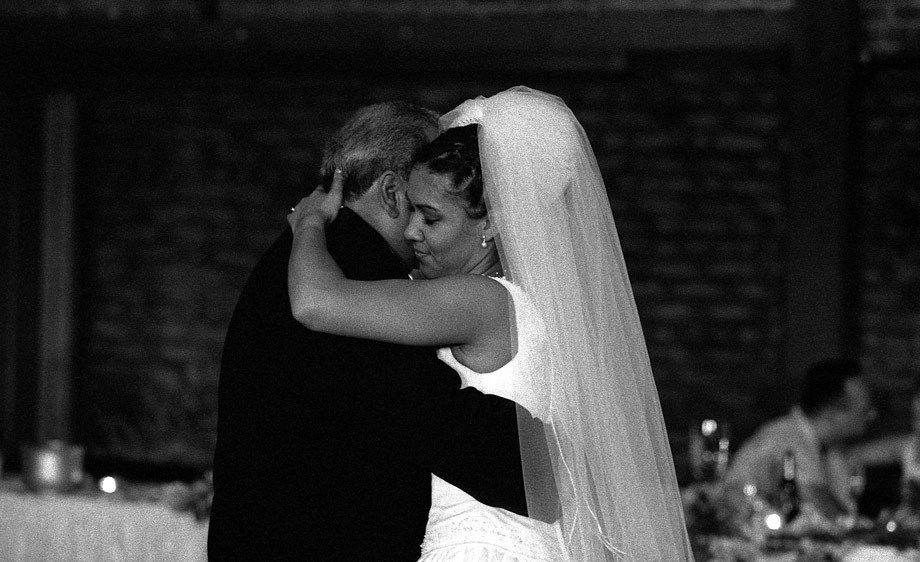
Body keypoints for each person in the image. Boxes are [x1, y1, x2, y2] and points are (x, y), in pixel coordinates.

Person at [288, 86, 692, 560]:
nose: (412, 230)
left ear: (491, 225)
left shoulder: (478, 301)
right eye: (412, 211)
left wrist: (310, 224)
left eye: (430, 217)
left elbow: (314, 302)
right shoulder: (523, 305)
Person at [208, 101, 534, 560]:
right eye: (421, 208)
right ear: (393, 193)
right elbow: (425, 414)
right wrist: (551, 463)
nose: (419, 230)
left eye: (433, 215)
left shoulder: (313, 252)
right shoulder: (349, 266)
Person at [723, 359, 877, 522]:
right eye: (864, 410)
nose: (872, 415)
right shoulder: (789, 438)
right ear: (830, 411)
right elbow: (824, 507)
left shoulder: (827, 447)